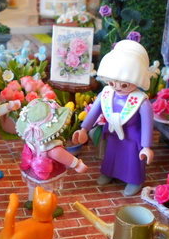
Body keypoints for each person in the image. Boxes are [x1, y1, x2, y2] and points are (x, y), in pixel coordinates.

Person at [72, 40, 154, 196]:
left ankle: (134, 180)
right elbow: (94, 112)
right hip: (112, 134)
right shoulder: (107, 93)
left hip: (132, 137)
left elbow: (147, 125)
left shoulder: (141, 101)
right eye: (111, 82)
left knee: (132, 159)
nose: (116, 87)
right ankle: (108, 172)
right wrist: (84, 129)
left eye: (124, 85)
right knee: (111, 155)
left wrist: (146, 146)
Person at [16, 99, 87, 217]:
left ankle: (31, 201)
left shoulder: (30, 137)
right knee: (47, 189)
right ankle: (47, 208)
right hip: (45, 169)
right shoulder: (50, 145)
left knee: (33, 185)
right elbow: (58, 154)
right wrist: (77, 164)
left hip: (31, 167)